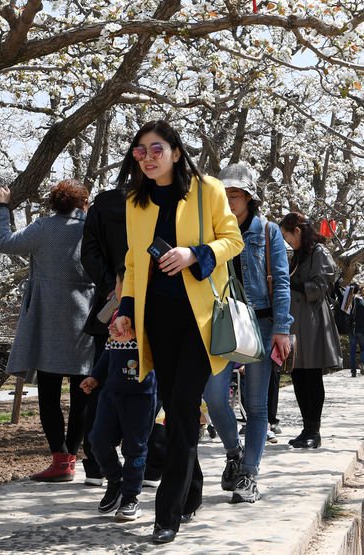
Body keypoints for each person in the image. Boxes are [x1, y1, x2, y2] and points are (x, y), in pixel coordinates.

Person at [111, 120, 244, 545]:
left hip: (201, 320)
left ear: (175, 151)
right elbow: (133, 261)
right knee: (176, 406)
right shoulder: (135, 201)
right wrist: (126, 310)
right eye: (140, 151)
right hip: (158, 320)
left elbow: (232, 240)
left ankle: (166, 514)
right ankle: (193, 488)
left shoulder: (208, 190)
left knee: (183, 405)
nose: (148, 158)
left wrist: (195, 254)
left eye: (156, 149)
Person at [0, 180, 94, 482]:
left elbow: (3, 242)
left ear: (54, 204)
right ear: (83, 204)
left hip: (47, 320)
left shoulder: (43, 228)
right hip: (85, 321)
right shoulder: (93, 228)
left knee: (49, 393)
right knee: (82, 393)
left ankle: (60, 461)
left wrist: (1, 207)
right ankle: (72, 458)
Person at [203, 162, 292, 504]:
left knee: (256, 407)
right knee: (213, 396)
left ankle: (248, 474)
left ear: (250, 198)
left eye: (236, 194)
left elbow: (281, 282)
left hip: (262, 323)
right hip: (222, 322)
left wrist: (282, 329)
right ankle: (232, 453)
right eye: (224, 195)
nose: (229, 201)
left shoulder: (268, 232)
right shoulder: (210, 231)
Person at [80, 152, 166, 489]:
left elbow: (88, 252)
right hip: (150, 301)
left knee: (106, 383)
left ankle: (99, 463)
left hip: (116, 301)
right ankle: (149, 462)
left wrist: (111, 287)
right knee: (152, 387)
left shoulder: (104, 204)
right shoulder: (165, 204)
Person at [80, 269, 155, 522]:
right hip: (111, 392)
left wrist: (141, 335)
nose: (117, 287)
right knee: (97, 440)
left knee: (135, 448)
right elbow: (109, 352)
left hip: (140, 394)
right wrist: (95, 376)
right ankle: (116, 480)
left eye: (121, 282)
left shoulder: (148, 313)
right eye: (117, 282)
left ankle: (131, 497)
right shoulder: (116, 316)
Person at [279, 212, 342, 448]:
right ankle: (306, 428)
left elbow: (320, 286)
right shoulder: (297, 255)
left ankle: (314, 431)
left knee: (312, 377)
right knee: (298, 375)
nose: (287, 241)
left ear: (298, 232)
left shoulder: (319, 252)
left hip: (313, 322)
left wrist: (290, 282)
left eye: (288, 236)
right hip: (296, 321)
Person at [347, 291, 364, 377]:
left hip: (352, 330)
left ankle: (353, 371)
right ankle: (362, 362)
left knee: (352, 351)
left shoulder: (349, 303)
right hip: (362, 330)